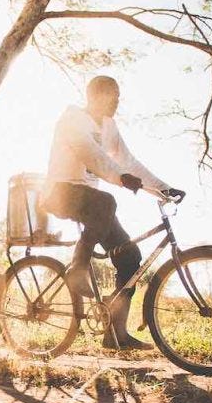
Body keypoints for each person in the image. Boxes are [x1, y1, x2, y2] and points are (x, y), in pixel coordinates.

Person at [42, 75, 185, 350]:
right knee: (106, 201)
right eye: (113, 95)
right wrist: (121, 178)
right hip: (61, 192)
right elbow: (91, 155)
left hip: (91, 203)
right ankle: (78, 267)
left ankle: (115, 333)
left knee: (131, 258)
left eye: (119, 96)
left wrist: (164, 189)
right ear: (95, 95)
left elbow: (128, 162)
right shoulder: (72, 119)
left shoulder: (109, 126)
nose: (118, 101)